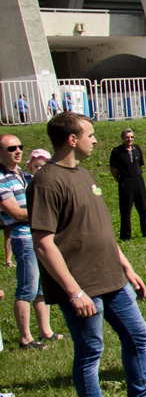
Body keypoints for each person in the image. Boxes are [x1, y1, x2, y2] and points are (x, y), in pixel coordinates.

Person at [29, 112, 146, 397]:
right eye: (90, 134)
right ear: (72, 139)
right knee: (90, 351)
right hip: (81, 285)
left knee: (137, 334)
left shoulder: (84, 175)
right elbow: (43, 242)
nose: (96, 140)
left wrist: (126, 267)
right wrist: (73, 292)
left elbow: (101, 231)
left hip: (112, 277)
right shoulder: (46, 181)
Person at [1, 134, 61, 350]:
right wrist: (45, 213)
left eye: (19, 147)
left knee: (42, 287)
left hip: (38, 235)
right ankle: (25, 338)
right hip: (23, 238)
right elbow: (15, 213)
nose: (17, 151)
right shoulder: (0, 178)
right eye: (11, 148)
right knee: (27, 288)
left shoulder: (25, 175)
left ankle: (46, 331)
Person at [109, 128, 146, 241]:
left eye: (131, 137)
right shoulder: (117, 151)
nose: (129, 139)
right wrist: (118, 179)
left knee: (143, 208)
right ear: (122, 138)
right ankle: (125, 235)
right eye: (127, 137)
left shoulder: (137, 149)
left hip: (138, 181)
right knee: (126, 210)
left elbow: (141, 164)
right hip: (125, 181)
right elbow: (112, 168)